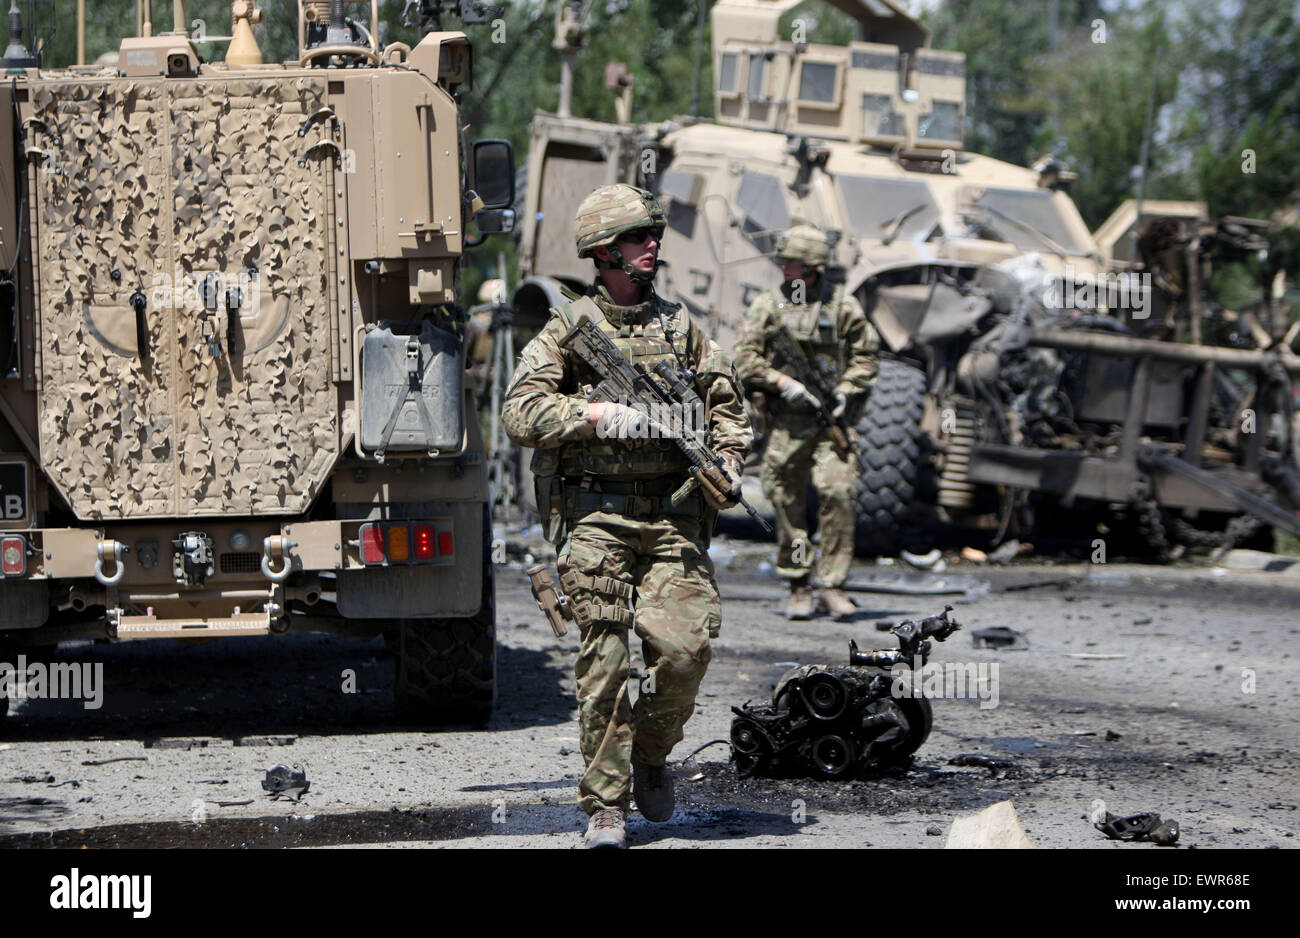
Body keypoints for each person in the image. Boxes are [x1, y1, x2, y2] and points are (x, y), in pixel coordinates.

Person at [503, 184, 752, 848]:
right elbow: (519, 413)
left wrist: (728, 460)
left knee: (684, 652)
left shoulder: (682, 328)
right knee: (605, 659)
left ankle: (648, 751)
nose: (654, 245)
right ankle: (605, 805)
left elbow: (728, 408)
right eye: (640, 236)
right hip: (596, 521)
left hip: (673, 519)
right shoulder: (568, 329)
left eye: (653, 234)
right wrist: (588, 414)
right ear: (605, 251)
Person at [734, 224, 879, 620]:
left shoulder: (842, 307)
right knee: (784, 499)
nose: (784, 268)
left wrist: (847, 390)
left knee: (839, 494)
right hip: (787, 422)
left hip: (830, 423)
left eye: (792, 263)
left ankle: (832, 585)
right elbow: (744, 357)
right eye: (784, 262)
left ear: (813, 267)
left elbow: (867, 356)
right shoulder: (769, 305)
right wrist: (781, 382)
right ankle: (799, 584)